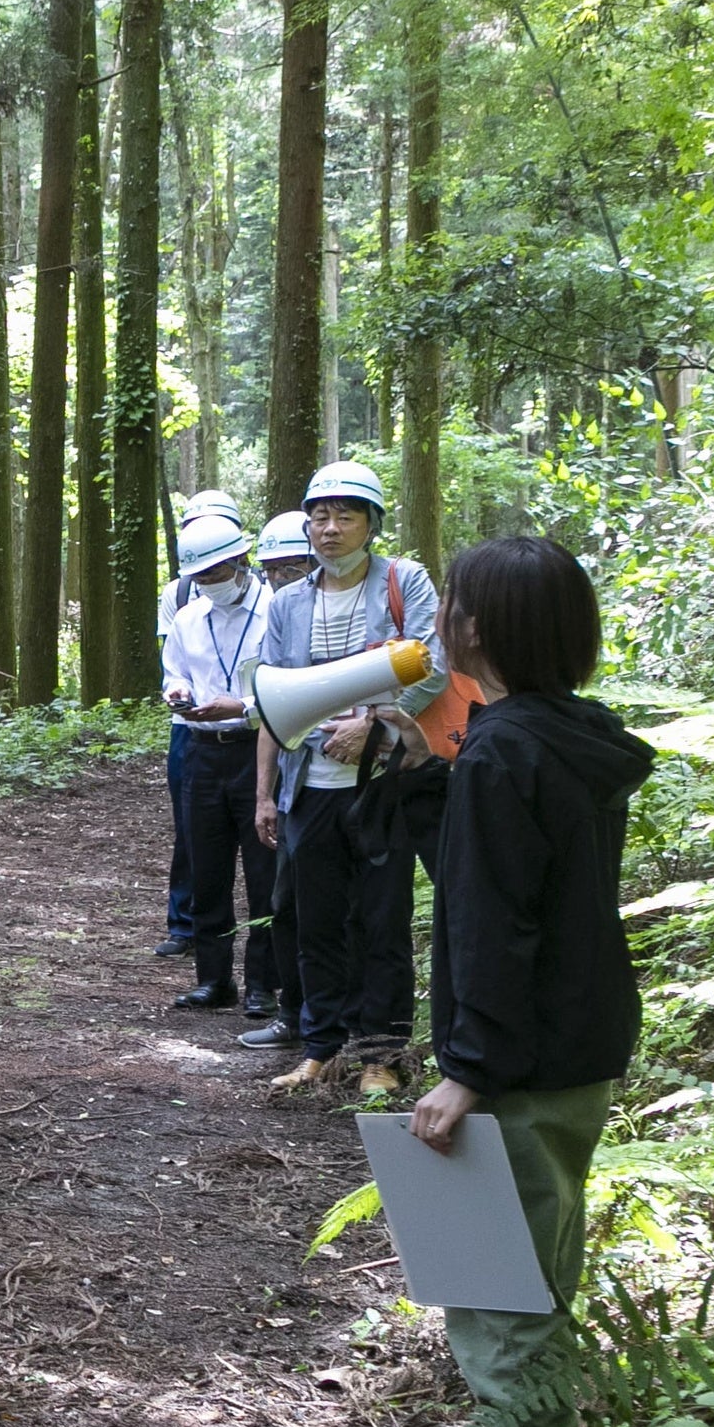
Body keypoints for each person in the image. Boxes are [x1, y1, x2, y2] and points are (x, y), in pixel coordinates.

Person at [405, 538, 652, 1427]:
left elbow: (494, 922)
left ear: (476, 628)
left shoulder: (506, 752)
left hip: (517, 1063)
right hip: (577, 1051)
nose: (444, 615)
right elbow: (506, 871)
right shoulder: (568, 738)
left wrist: (467, 1066)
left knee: (498, 1294)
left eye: (454, 602)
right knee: (539, 1278)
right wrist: (425, 773)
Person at [251, 461, 447, 1100]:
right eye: (319, 516)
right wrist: (266, 791)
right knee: (316, 919)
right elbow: (276, 696)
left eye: (345, 516)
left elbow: (434, 663)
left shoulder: (403, 580)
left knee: (381, 919)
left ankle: (380, 1055)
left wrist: (381, 725)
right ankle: (321, 1048)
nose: (329, 528)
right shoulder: (287, 601)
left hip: (381, 785)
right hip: (311, 785)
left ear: (371, 524)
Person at [160, 516, 278, 1018]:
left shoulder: (276, 609)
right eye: (201, 577)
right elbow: (174, 671)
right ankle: (213, 979)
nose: (210, 583)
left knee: (263, 871)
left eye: (217, 572)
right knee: (206, 868)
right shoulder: (189, 618)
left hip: (257, 748)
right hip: (201, 752)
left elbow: (286, 686)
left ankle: (262, 986)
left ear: (240, 562)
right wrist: (178, 693)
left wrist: (243, 706)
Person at [236, 512, 319, 1056]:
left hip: (363, 785)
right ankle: (294, 1014)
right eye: (271, 570)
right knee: (287, 903)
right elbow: (272, 709)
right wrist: (265, 795)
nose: (280, 579)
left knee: (356, 914)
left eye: (290, 568)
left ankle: (355, 1032)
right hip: (298, 785)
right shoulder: (283, 614)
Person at [156, 488, 241, 958]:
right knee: (191, 827)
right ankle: (184, 923)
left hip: (250, 728)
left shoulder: (269, 599)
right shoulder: (180, 592)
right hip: (192, 730)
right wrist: (178, 692)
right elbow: (175, 656)